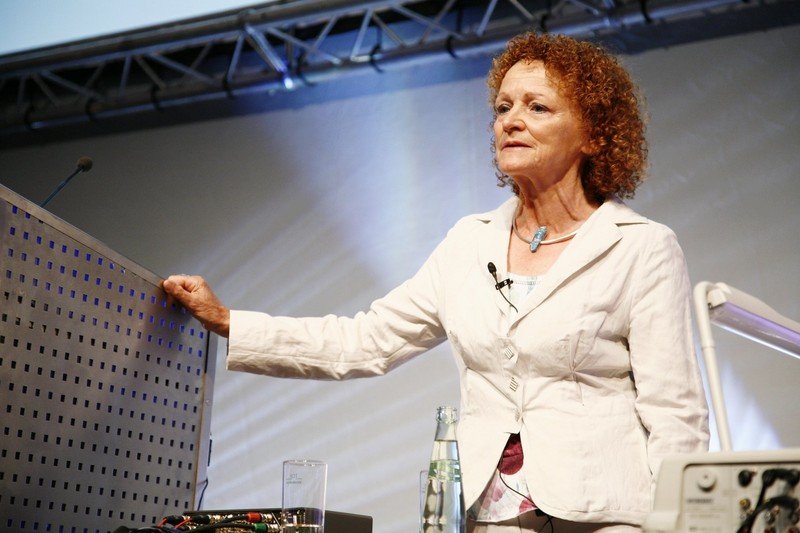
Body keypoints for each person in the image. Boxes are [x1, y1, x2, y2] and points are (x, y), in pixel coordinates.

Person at [163, 32, 709, 532]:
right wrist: (230, 323)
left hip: (606, 518)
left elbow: (675, 415)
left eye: (537, 107)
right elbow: (365, 342)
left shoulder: (640, 247)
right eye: (503, 107)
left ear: (593, 133)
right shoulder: (468, 243)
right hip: (487, 517)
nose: (511, 121)